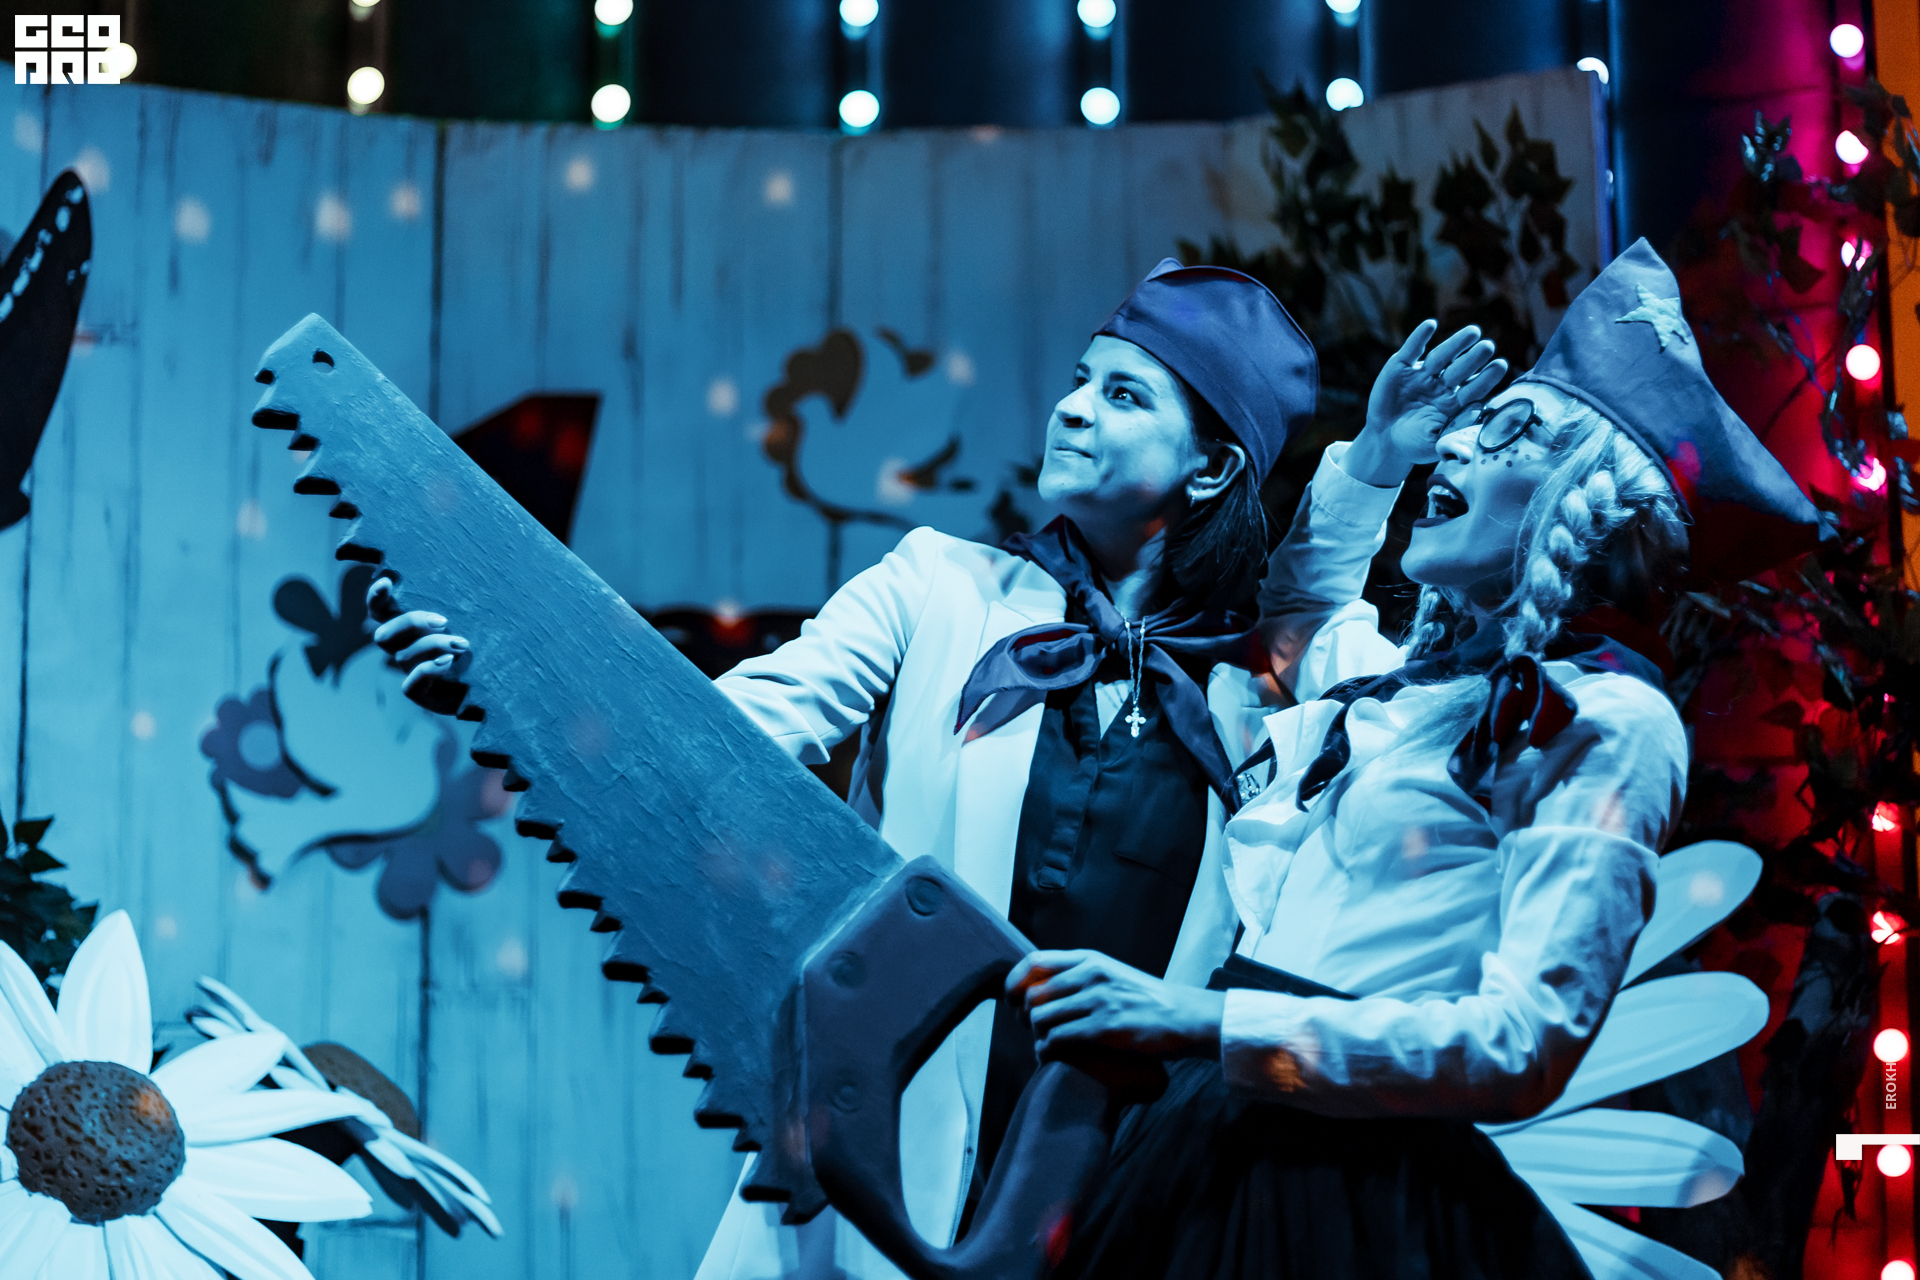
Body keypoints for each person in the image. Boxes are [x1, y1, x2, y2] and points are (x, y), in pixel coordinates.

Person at [369, 260, 1491, 1280]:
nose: (1074, 407)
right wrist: (504, 681)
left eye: (1124, 395)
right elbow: (724, 733)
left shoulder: (1255, 687)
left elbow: (1314, 587)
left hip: (1110, 1206)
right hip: (875, 1159)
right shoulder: (939, 588)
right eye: (1079, 380)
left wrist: (1377, 459)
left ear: (1210, 469)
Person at [1005, 240, 1825, 1280]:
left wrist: (1203, 1020)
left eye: (1512, 431)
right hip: (1219, 1139)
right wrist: (1380, 456)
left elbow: (1523, 1041)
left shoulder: (1607, 717)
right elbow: (1300, 613)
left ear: (1586, 498)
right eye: (1473, 425)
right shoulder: (1403, 690)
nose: (1461, 445)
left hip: (1360, 1192)